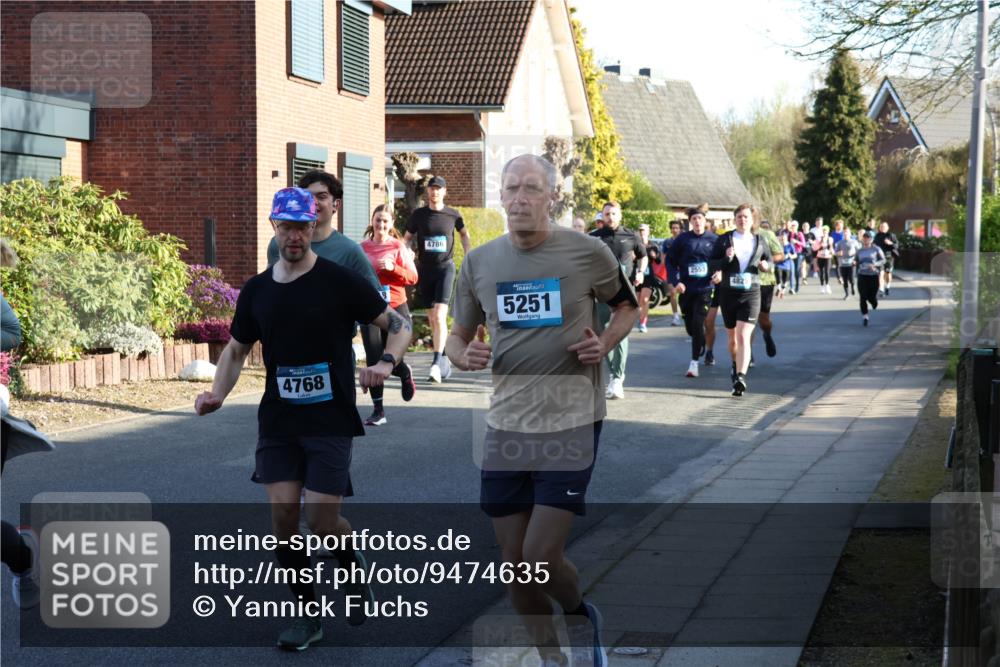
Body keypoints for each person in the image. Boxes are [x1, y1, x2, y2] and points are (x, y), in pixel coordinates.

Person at [195, 187, 413, 651]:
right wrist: (216, 393)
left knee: (321, 517)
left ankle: (352, 572)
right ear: (274, 227)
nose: (294, 235)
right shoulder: (256, 290)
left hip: (330, 415)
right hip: (278, 419)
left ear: (314, 227)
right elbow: (236, 350)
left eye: (302, 226)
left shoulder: (338, 280)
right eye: (286, 226)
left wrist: (386, 364)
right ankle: (307, 615)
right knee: (284, 518)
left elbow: (399, 324)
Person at [446, 154, 637, 667]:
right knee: (516, 576)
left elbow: (628, 304)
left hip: (571, 419)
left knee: (540, 558)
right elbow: (456, 337)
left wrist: (607, 342)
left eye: (532, 188)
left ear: (552, 196)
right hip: (507, 425)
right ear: (501, 196)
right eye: (512, 188)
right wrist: (463, 355)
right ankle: (555, 660)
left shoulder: (587, 252)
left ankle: (579, 612)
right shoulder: (479, 263)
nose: (520, 198)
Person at [403, 175, 472, 384]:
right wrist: (407, 254)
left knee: (441, 316)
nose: (434, 192)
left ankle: (435, 364)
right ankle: (443, 358)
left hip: (445, 268)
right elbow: (405, 239)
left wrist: (469, 255)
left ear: (444, 192)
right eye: (431, 189)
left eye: (438, 189)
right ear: (428, 192)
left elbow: (464, 235)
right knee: (433, 318)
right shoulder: (419, 215)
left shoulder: (453, 214)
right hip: (425, 269)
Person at [266, 170, 380, 290]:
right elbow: (269, 288)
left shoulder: (351, 252)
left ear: (336, 204)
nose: (314, 202)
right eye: (308, 197)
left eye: (321, 196)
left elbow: (377, 299)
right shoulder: (278, 244)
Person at [359, 205, 418, 426]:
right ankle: (378, 410)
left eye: (385, 221)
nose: (381, 225)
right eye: (378, 220)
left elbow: (413, 278)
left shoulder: (398, 246)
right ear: (372, 221)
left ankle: (404, 373)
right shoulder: (361, 248)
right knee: (374, 356)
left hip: (395, 306)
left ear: (391, 224)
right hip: (370, 308)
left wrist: (394, 268)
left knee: (392, 356)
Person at [709, 204, 773, 397]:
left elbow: (769, 261)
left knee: (743, 336)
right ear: (734, 219)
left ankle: (740, 378)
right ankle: (735, 364)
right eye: (739, 217)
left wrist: (765, 266)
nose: (742, 220)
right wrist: (725, 261)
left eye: (746, 217)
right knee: (732, 339)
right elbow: (712, 263)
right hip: (728, 293)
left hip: (752, 292)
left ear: (752, 220)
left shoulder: (760, 240)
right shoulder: (724, 240)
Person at [589, 201, 644, 400]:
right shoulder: (593, 238)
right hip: (601, 291)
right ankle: (613, 373)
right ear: (602, 217)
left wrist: (641, 272)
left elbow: (643, 255)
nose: (610, 217)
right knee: (602, 331)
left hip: (624, 292)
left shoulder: (631, 236)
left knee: (620, 332)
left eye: (613, 213)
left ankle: (618, 377)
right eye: (606, 214)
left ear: (619, 216)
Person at [668, 207, 718, 377]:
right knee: (691, 327)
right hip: (686, 289)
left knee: (698, 323)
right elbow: (670, 261)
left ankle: (694, 363)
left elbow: (722, 262)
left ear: (705, 221)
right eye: (694, 219)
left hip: (705, 288)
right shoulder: (683, 239)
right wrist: (676, 282)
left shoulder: (714, 239)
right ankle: (700, 340)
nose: (697, 221)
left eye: (700, 218)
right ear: (690, 222)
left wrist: (719, 273)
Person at [753, 219, 784, 358]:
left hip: (765, 281)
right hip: (743, 283)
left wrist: (766, 261)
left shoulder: (767, 234)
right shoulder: (733, 236)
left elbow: (780, 254)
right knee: (746, 321)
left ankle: (767, 333)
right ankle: (747, 354)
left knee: (763, 320)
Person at [856, 230, 886, 326]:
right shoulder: (859, 251)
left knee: (871, 296)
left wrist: (875, 264)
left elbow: (883, 260)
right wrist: (854, 263)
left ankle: (874, 302)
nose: (866, 240)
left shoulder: (876, 249)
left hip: (873, 275)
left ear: (871, 239)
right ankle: (865, 316)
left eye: (868, 238)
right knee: (863, 297)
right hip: (862, 275)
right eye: (864, 238)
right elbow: (856, 261)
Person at [636, 223, 662, 333]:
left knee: (645, 300)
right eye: (640, 230)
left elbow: (659, 261)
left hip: (648, 276)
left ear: (648, 232)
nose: (642, 233)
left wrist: (654, 256)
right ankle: (639, 318)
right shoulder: (635, 244)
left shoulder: (653, 246)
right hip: (636, 275)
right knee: (637, 301)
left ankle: (643, 323)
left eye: (644, 230)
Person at [660, 219, 684, 326]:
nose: (674, 230)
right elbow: (663, 257)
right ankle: (675, 316)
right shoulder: (667, 242)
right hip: (671, 271)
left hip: (683, 270)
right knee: (672, 293)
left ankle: (686, 312)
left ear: (680, 229)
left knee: (684, 292)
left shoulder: (684, 240)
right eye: (673, 228)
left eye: (677, 228)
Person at [874, 221, 899, 296]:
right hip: (879, 258)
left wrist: (890, 243)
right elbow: (874, 245)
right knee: (880, 273)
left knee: (887, 273)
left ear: (887, 228)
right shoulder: (877, 236)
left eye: (884, 227)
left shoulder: (891, 235)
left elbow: (897, 245)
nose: (882, 228)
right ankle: (881, 289)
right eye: (881, 227)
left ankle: (887, 287)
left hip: (889, 257)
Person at [835, 228, 860, 299]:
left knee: (851, 278)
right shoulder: (840, 243)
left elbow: (859, 252)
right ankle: (847, 294)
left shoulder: (854, 242)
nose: (845, 234)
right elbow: (835, 253)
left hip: (852, 263)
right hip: (843, 264)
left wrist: (854, 254)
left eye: (847, 232)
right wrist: (838, 253)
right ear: (843, 234)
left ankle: (852, 287)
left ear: (850, 234)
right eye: (844, 232)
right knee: (845, 280)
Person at [776, 229, 795, 298]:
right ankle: (778, 288)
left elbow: (795, 255)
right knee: (778, 275)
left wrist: (791, 256)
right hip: (779, 264)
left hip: (787, 265)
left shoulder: (790, 245)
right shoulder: (778, 245)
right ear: (780, 237)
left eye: (784, 236)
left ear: (786, 237)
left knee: (785, 279)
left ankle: (782, 291)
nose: (783, 238)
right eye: (782, 236)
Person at [786, 220, 805, 294]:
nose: (793, 227)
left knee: (796, 270)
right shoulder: (789, 234)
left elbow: (803, 244)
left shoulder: (799, 234)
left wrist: (796, 242)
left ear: (797, 226)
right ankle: (792, 288)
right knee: (791, 271)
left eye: (794, 225)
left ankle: (797, 286)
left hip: (798, 254)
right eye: (792, 225)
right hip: (791, 254)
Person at [816, 225, 835, 294]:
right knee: (821, 272)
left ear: (828, 232)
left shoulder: (830, 239)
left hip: (827, 257)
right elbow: (815, 248)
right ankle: (822, 286)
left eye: (826, 231)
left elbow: (832, 247)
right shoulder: (819, 239)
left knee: (827, 271)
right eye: (823, 231)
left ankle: (827, 285)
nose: (824, 233)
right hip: (820, 257)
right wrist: (820, 244)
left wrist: (832, 251)